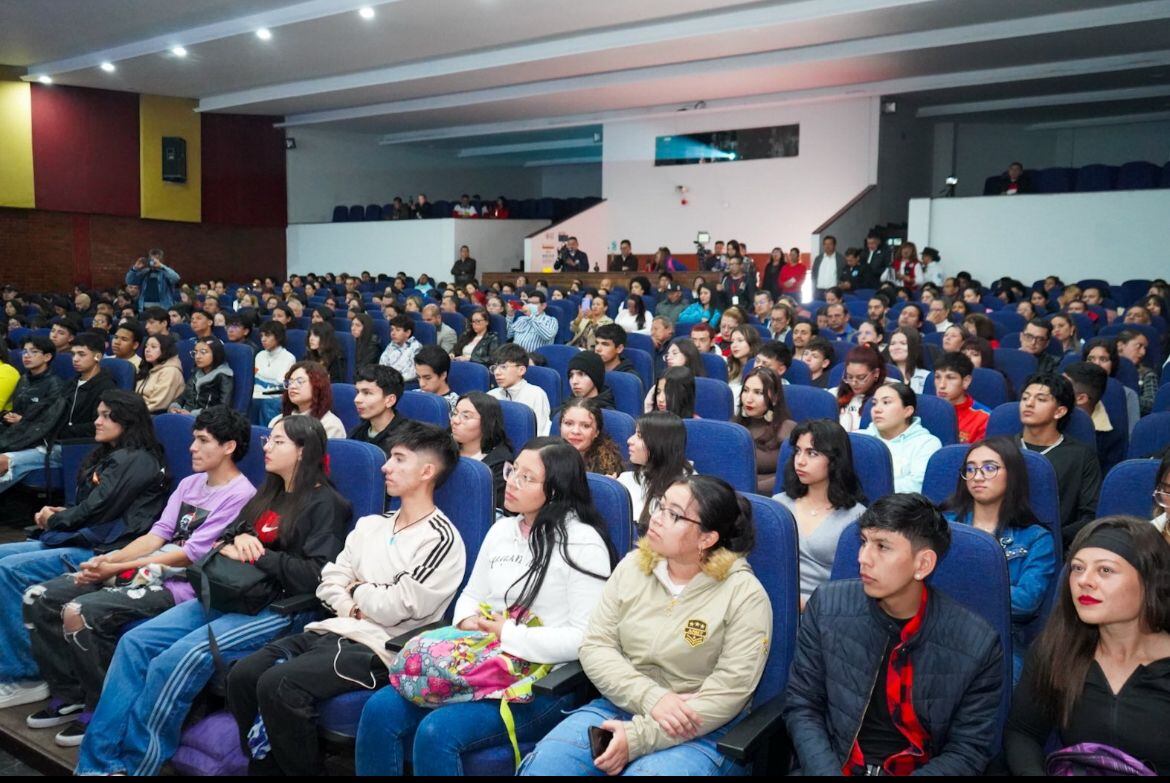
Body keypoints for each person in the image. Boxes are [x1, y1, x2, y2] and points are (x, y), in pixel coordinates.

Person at [74, 415, 351, 776]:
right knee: (136, 643)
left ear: (303, 451)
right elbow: (226, 538)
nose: (266, 447)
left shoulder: (326, 503)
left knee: (177, 660)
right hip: (230, 593)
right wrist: (239, 538)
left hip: (277, 608)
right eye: (268, 440)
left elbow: (315, 576)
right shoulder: (269, 492)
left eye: (278, 441)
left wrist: (258, 555)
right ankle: (96, 764)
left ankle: (135, 765)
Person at [355, 437, 616, 776]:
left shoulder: (582, 543)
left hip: (543, 682)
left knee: (437, 732)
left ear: (554, 491)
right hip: (479, 661)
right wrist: (467, 620)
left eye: (527, 478)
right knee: (379, 710)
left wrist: (507, 634)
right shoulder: (503, 530)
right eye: (513, 471)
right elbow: (471, 596)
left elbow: (584, 639)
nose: (512, 482)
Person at [226, 422, 465, 775]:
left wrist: (355, 589)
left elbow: (397, 607)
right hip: (335, 628)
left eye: (399, 459)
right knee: (243, 675)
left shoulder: (441, 539)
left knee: (280, 684)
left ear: (427, 471)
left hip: (382, 648)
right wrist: (354, 603)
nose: (386, 467)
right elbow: (329, 581)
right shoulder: (371, 525)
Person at [20, 407, 254, 742]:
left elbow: (191, 554)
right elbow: (157, 535)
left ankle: (101, 709)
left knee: (79, 611)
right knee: (40, 597)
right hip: (143, 568)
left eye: (203, 441)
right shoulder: (190, 483)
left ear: (228, 447)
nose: (192, 447)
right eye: (193, 439)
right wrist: (110, 559)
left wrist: (115, 568)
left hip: (180, 583)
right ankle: (69, 693)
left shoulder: (241, 494)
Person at [520, 474, 770, 776]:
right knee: (544, 767)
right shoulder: (632, 566)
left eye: (674, 514)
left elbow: (729, 692)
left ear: (706, 539)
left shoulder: (744, 594)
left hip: (700, 728)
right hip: (621, 704)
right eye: (659, 506)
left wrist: (640, 737)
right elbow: (595, 646)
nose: (657, 518)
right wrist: (652, 698)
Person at [783, 493, 1005, 776]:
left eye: (882, 546)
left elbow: (967, 750)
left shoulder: (978, 644)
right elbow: (803, 706)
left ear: (923, 564)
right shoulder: (827, 606)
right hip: (833, 766)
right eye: (864, 542)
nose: (863, 558)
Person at [0, 391, 169, 711]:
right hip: (85, 536)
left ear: (126, 420)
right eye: (98, 414)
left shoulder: (137, 459)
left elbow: (98, 509)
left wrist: (54, 519)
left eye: (106, 415)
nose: (97, 421)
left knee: (8, 570)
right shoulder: (114, 454)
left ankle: (25, 676)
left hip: (104, 548)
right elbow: (94, 508)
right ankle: (8, 658)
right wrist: (60, 513)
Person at [1005, 517, 1170, 775]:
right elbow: (1023, 733)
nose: (1084, 581)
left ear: (1150, 581)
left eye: (1105, 570)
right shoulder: (1058, 648)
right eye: (1078, 568)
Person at [942, 436, 1056, 683]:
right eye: (970, 469)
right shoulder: (943, 526)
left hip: (1000, 638)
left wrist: (958, 588)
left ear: (1011, 475)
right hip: (940, 630)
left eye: (989, 468)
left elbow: (1026, 602)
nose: (977, 476)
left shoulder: (1036, 538)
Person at [0, 332, 117, 497]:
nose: (75, 359)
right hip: (52, 441)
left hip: (75, 447)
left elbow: (97, 427)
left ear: (97, 356)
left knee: (4, 461)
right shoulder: (72, 383)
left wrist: (57, 431)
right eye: (73, 354)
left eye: (81, 354)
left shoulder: (105, 388)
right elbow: (49, 411)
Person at [772, 420, 866, 606]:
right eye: (797, 451)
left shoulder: (856, 518)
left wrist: (801, 606)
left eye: (812, 453)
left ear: (834, 460)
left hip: (824, 611)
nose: (800, 461)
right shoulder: (778, 505)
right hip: (774, 602)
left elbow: (851, 590)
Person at [1018, 373, 1101, 547]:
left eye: (1041, 399)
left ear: (1059, 411)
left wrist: (1050, 539)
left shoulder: (1081, 456)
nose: (1029, 403)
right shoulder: (1000, 449)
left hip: (1056, 545)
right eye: (1025, 398)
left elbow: (1089, 515)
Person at [862, 382, 942, 494]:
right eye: (874, 403)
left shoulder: (926, 443)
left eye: (886, 402)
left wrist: (866, 487)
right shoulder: (860, 440)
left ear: (907, 411)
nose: (877, 409)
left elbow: (916, 486)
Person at [617, 412, 691, 529]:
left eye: (639, 436)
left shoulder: (686, 491)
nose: (629, 440)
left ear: (660, 444)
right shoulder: (626, 479)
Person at [733, 366, 796, 493]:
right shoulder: (734, 427)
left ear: (775, 398)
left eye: (758, 393)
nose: (748, 399)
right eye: (746, 390)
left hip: (767, 496)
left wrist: (748, 490)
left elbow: (789, 474)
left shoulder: (787, 429)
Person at [450, 392, 513, 504]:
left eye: (466, 416)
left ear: (487, 422)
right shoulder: (442, 447)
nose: (455, 421)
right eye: (455, 413)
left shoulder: (498, 465)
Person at [268, 360, 347, 439]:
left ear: (318, 385)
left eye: (300, 381)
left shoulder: (330, 426)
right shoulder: (277, 421)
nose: (292, 386)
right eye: (290, 382)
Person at [489, 343, 551, 436]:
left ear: (521, 370)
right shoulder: (491, 396)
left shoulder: (536, 394)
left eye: (503, 367)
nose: (497, 372)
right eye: (494, 368)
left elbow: (540, 433)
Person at [1083, 337, 1141, 434]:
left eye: (1103, 359)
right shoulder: (1073, 389)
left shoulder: (1128, 394)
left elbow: (1132, 434)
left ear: (1112, 364)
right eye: (1090, 359)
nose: (1096, 364)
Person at [348, 365, 407, 456]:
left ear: (390, 400)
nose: (357, 399)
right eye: (357, 392)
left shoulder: (407, 439)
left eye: (367, 393)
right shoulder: (356, 434)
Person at [933, 352, 990, 444]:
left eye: (950, 378)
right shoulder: (927, 410)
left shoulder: (984, 418)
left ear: (966, 381)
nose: (941, 385)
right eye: (937, 377)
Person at [557, 397, 623, 477]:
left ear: (596, 432)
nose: (575, 431)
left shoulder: (608, 466)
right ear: (560, 427)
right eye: (568, 423)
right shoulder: (546, 458)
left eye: (585, 426)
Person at [169, 337, 234, 417]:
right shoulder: (196, 372)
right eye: (195, 352)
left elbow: (223, 408)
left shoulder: (223, 375)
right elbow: (184, 396)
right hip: (185, 415)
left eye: (203, 352)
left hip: (207, 419)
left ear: (216, 354)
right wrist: (175, 407)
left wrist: (193, 414)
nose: (197, 356)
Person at [830, 345, 886, 432]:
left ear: (876, 373)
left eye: (861, 377)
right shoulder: (833, 394)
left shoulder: (885, 398)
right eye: (849, 377)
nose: (853, 383)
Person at [251, 320, 297, 425]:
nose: (263, 339)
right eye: (261, 336)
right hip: (255, 395)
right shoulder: (259, 355)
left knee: (268, 404)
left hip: (272, 398)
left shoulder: (288, 358)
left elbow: (281, 387)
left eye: (267, 335)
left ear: (278, 337)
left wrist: (260, 393)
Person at [134, 333, 185, 413]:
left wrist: (131, 412)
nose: (147, 350)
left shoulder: (170, 371)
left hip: (153, 414)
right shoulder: (148, 368)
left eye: (153, 347)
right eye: (146, 346)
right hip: (139, 411)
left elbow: (157, 405)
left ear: (165, 350)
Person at [1115, 329, 1159, 415]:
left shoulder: (1147, 374)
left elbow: (1152, 404)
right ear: (1120, 346)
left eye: (1144, 348)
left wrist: (1122, 397)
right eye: (1139, 346)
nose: (1143, 352)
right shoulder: (1105, 370)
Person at [883, 327, 930, 394]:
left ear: (914, 347)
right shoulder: (881, 375)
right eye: (892, 343)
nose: (896, 347)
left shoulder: (927, 377)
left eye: (903, 343)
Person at [379, 315, 423, 383]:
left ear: (408, 333)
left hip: (404, 383)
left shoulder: (416, 347)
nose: (393, 333)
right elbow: (382, 364)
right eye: (392, 329)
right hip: (387, 381)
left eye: (397, 330)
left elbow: (412, 373)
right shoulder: (391, 345)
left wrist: (392, 380)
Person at [812, 235, 844, 299]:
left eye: (830, 244)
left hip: (833, 291)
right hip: (819, 291)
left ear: (834, 245)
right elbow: (814, 273)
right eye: (825, 244)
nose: (827, 246)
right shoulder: (818, 258)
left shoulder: (841, 259)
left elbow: (843, 274)